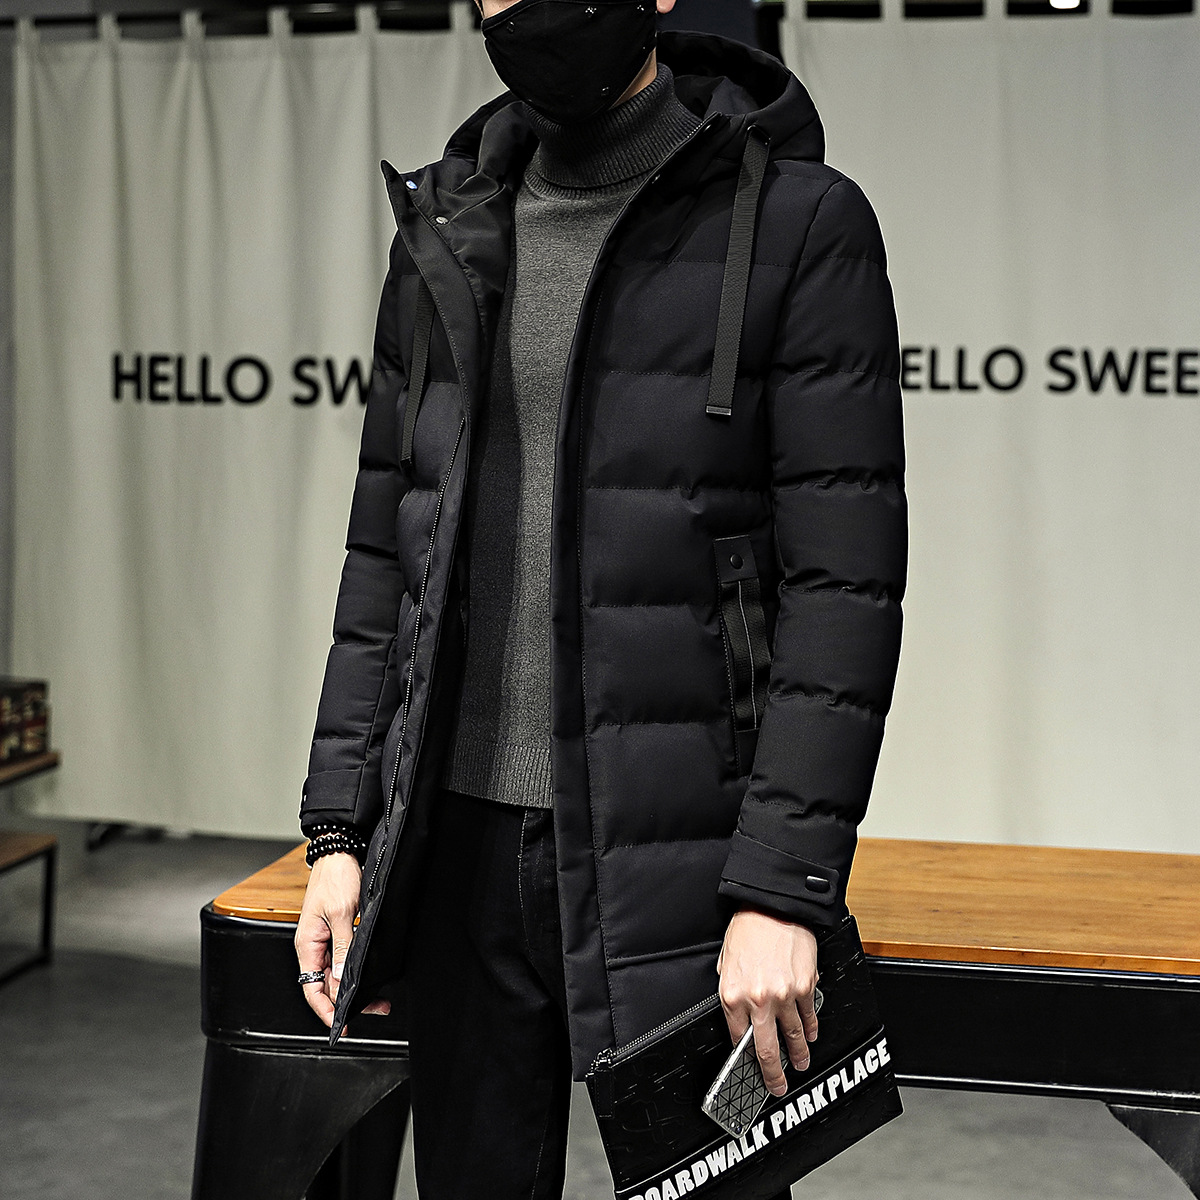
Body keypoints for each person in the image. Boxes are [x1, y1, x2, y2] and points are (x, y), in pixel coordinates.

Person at [294, 1, 907, 1196]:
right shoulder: (449, 227)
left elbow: (843, 587)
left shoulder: (799, 223)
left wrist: (782, 887)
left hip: (682, 852)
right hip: (459, 849)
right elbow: (387, 556)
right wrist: (341, 830)